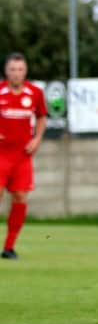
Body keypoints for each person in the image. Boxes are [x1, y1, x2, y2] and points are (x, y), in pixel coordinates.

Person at [0, 52, 47, 260]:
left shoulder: (35, 93)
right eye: (12, 69)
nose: (16, 73)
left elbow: (41, 117)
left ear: (25, 71)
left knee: (20, 197)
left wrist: (37, 139)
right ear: (6, 71)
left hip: (21, 156)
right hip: (1, 154)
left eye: (20, 69)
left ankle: (9, 247)